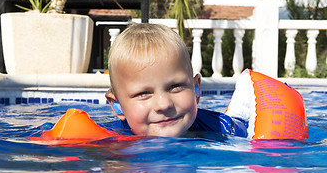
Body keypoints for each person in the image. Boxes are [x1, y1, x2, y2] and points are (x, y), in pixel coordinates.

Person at [105, 23, 248, 138]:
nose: (164, 104)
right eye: (143, 93)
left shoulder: (224, 129)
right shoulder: (106, 141)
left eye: (175, 86)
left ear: (196, 89)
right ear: (118, 105)